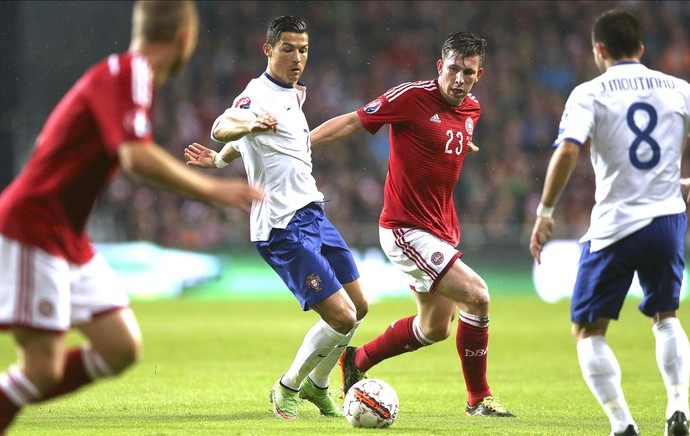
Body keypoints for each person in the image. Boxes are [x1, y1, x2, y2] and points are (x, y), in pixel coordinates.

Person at [0, 1, 262, 432]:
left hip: (70, 237)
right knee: (41, 369)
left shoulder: (129, 78)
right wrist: (212, 189)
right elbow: (135, 157)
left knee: (119, 346)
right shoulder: (129, 72)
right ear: (185, 39)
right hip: (36, 226)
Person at [307, 31, 513, 418]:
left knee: (435, 328)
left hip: (442, 229)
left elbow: (445, 138)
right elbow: (353, 121)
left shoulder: (472, 110)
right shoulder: (410, 96)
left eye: (467, 72)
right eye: (452, 69)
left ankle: (357, 359)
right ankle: (479, 399)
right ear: (440, 66)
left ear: (478, 74)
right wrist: (302, 143)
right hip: (406, 228)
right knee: (479, 295)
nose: (458, 79)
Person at [183, 16, 368, 421]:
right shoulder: (256, 94)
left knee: (359, 307)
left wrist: (218, 160)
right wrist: (245, 124)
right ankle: (286, 388)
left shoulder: (293, 95)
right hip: (282, 228)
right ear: (268, 50)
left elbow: (243, 143)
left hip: (313, 214)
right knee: (341, 317)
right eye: (288, 48)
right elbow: (223, 125)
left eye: (303, 49)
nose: (297, 57)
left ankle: (319, 388)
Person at [529, 8, 690, 436]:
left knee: (587, 329)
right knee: (666, 316)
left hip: (615, 225)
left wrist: (545, 213)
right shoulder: (679, 89)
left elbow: (566, 151)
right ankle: (678, 405)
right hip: (667, 221)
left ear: (599, 50)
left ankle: (623, 424)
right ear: (640, 47)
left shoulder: (590, 93)